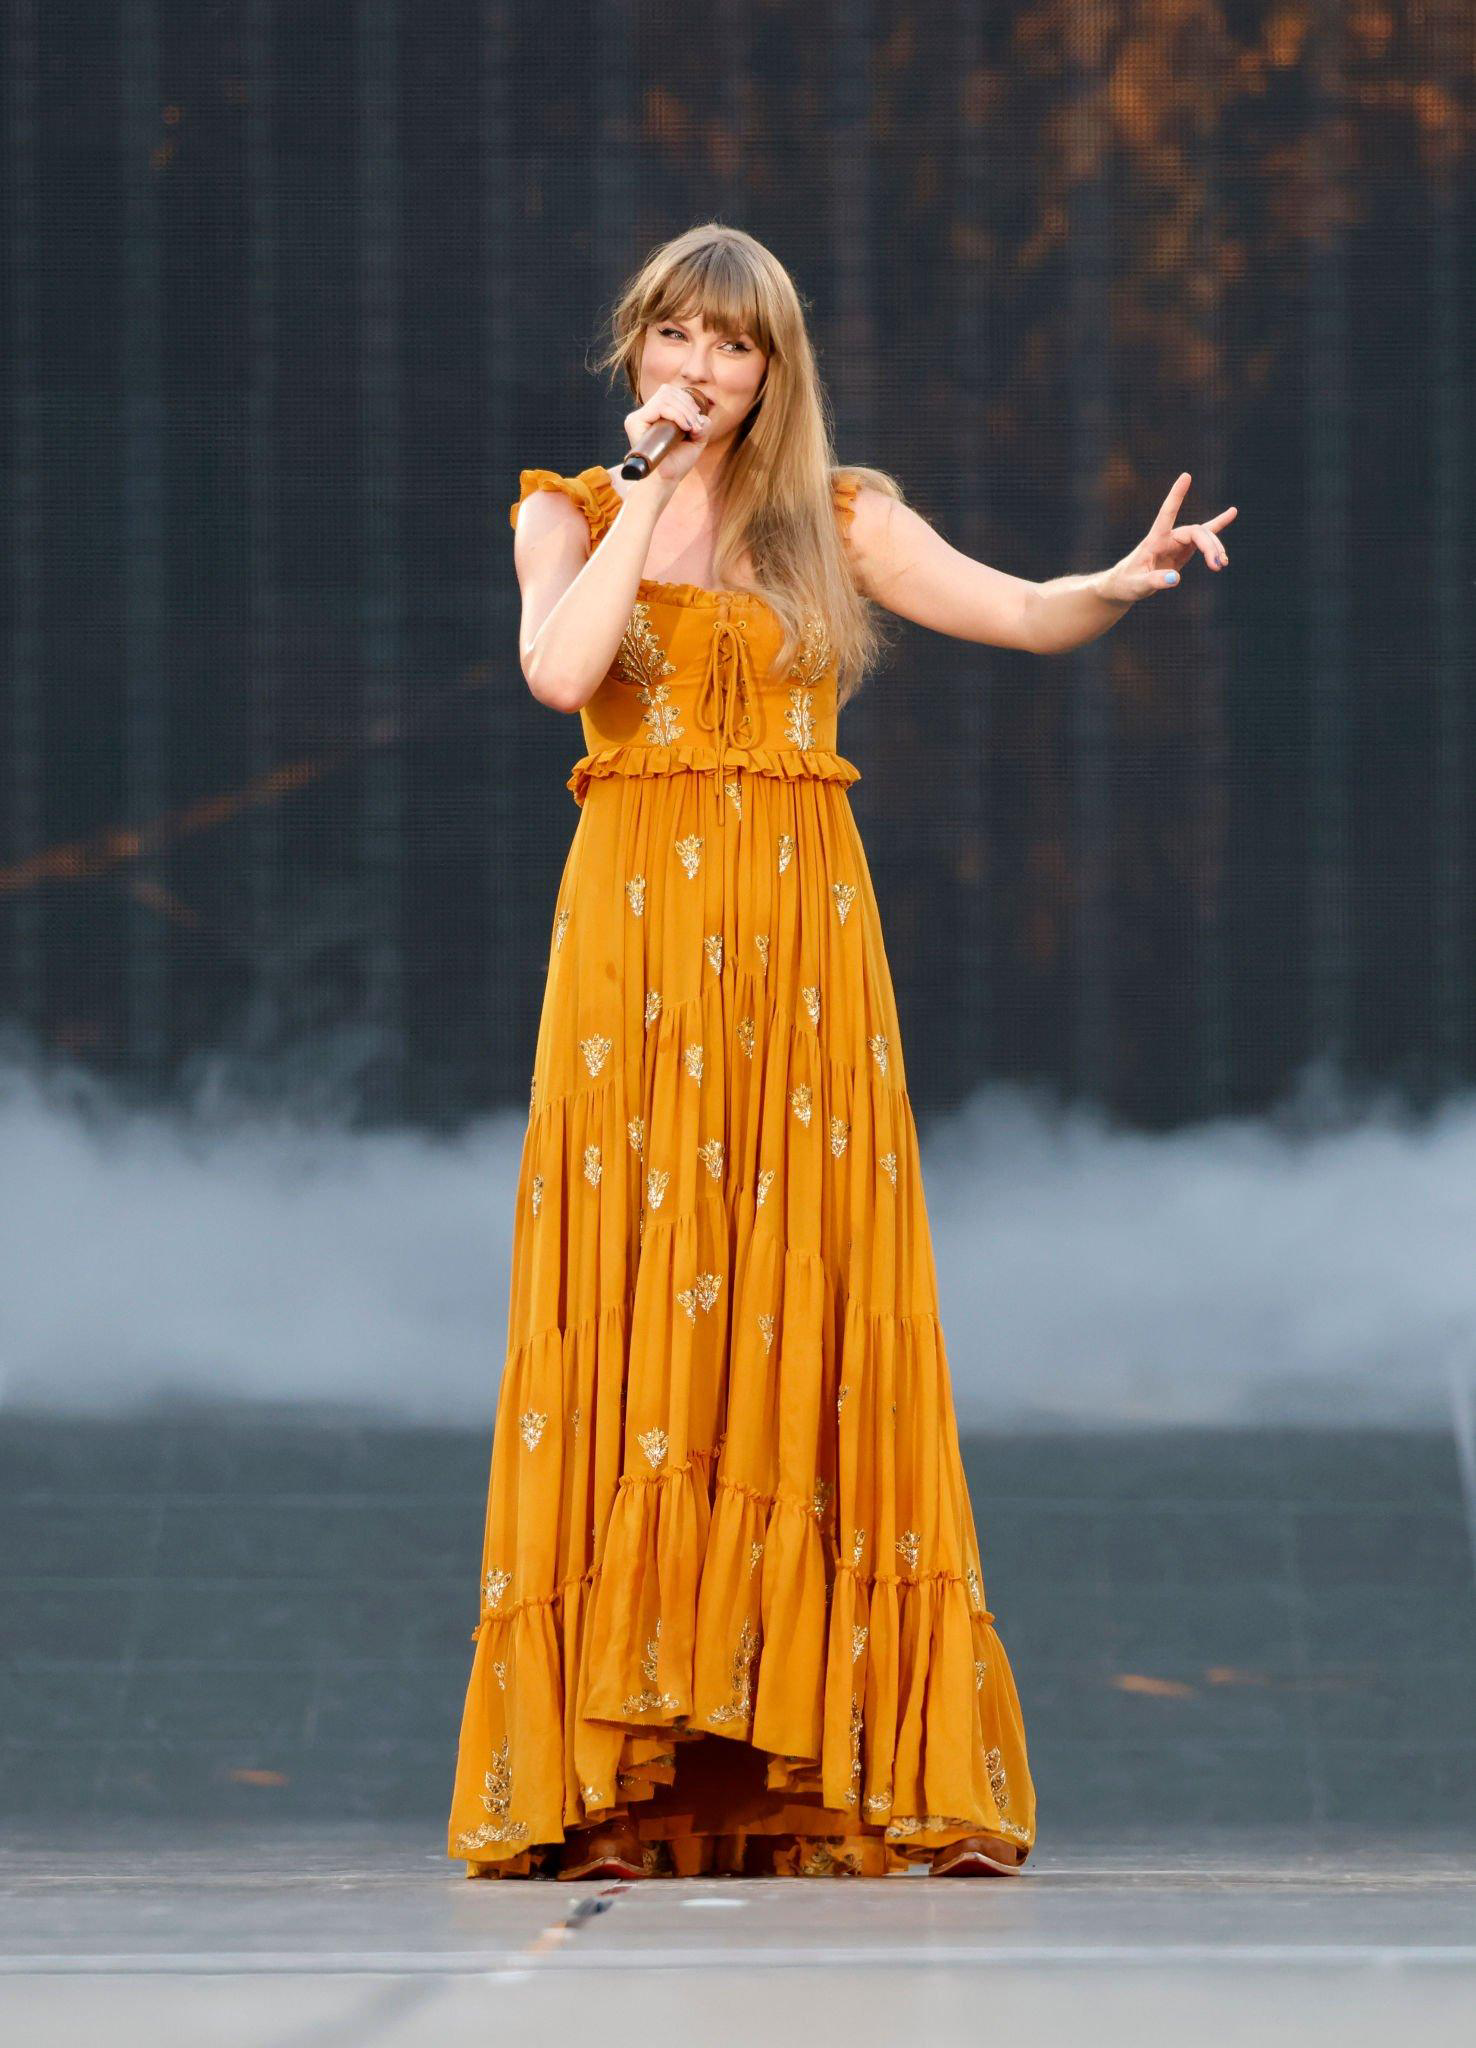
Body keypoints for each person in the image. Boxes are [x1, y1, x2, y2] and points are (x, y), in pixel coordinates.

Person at [447, 223, 1236, 1882]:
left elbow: (1021, 613)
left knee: (808, 1298)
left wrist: (1112, 584)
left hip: (803, 960)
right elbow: (560, 672)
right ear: (637, 347)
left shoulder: (841, 517)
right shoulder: (567, 512)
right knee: (648, 1300)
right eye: (677, 335)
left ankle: (852, 1765)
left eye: (734, 345)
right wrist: (646, 488)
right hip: (637, 966)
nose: (702, 367)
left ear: (775, 367)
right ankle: (613, 1778)